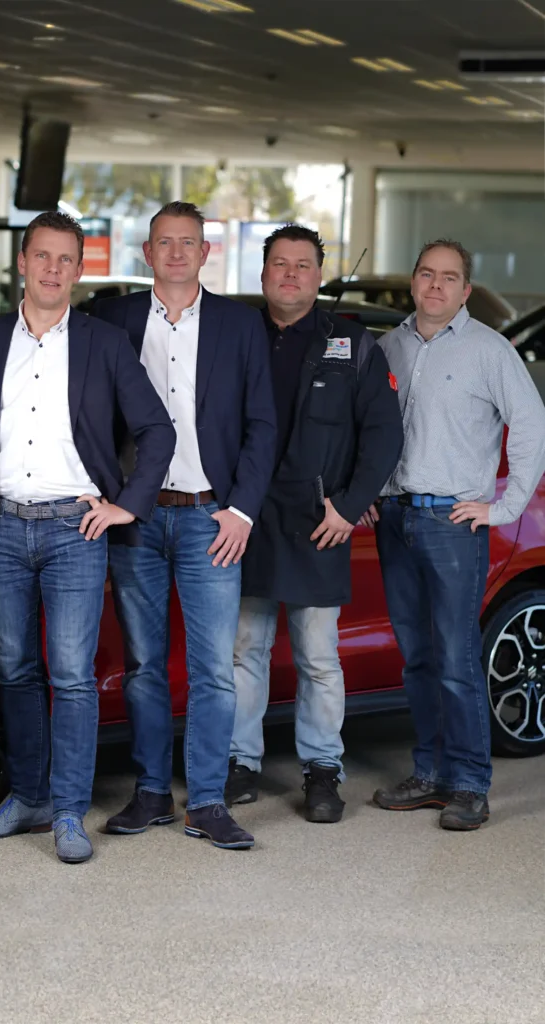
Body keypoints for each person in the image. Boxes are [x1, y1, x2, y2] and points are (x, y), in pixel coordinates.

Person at [0, 211, 174, 864]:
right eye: (41, 256)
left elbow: (156, 430)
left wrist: (126, 505)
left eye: (65, 259)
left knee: (71, 676)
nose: (52, 269)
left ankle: (70, 810)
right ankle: (30, 798)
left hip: (75, 529)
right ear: (22, 262)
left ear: (79, 269)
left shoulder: (104, 344)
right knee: (15, 670)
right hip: (0, 529)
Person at [95, 201, 277, 851]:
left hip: (210, 517)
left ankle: (205, 801)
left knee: (213, 670)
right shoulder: (112, 320)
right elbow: (89, 416)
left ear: (206, 252)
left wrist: (242, 510)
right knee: (144, 665)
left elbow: (262, 425)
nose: (176, 253)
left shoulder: (240, 325)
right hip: (136, 518)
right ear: (146, 253)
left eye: (188, 242)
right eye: (164, 242)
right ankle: (151, 792)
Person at [226, 225, 403, 822]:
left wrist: (350, 506)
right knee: (244, 650)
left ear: (319, 276)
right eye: (280, 263)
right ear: (263, 273)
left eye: (303, 265)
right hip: (246, 520)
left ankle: (323, 770)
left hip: (317, 522)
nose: (291, 274)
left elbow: (384, 434)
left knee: (318, 657)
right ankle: (240, 762)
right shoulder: (238, 337)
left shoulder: (352, 344)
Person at [371, 239, 545, 830]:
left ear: (466, 290)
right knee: (417, 660)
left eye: (449, 277)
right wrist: (369, 493)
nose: (436, 285)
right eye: (427, 274)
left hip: (452, 524)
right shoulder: (388, 346)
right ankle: (429, 774)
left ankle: (469, 784)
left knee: (457, 659)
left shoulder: (489, 350)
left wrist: (504, 507)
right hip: (395, 518)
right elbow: (370, 430)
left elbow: (531, 425)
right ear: (413, 282)